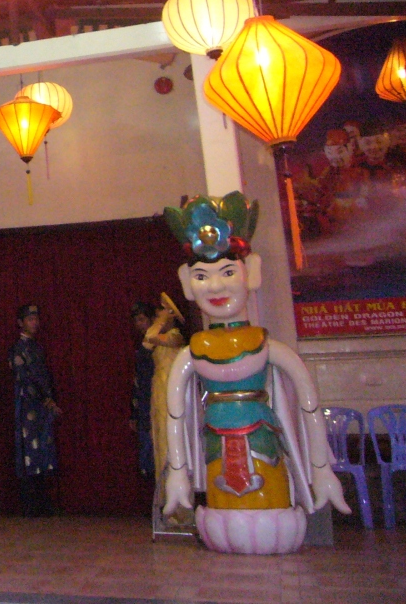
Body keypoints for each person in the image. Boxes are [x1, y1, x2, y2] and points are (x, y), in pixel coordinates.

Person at [162, 192, 350, 554]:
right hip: (215, 447)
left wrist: (321, 469)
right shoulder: (191, 353)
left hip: (263, 442)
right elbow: (176, 415)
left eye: (228, 272)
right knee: (222, 506)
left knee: (269, 503)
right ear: (186, 282)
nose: (215, 286)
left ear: (253, 272)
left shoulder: (266, 346)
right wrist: (178, 473)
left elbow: (308, 406)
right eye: (201, 276)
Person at [9, 303, 60, 517]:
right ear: (21, 323)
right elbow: (25, 379)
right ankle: (30, 503)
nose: (35, 323)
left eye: (36, 319)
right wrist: (46, 400)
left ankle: (43, 501)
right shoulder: (18, 349)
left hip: (41, 408)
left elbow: (45, 377)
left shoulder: (37, 347)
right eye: (30, 319)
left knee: (43, 452)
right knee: (30, 452)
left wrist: (50, 399)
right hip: (28, 406)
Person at [144, 293, 186, 485]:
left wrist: (162, 320)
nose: (158, 316)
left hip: (171, 388)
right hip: (160, 389)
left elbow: (150, 336)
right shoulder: (164, 337)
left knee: (170, 437)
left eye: (162, 311)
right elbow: (146, 343)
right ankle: (164, 487)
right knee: (160, 436)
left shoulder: (175, 336)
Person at [130, 302, 155, 479]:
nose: (139, 324)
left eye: (142, 319)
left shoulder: (159, 342)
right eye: (136, 321)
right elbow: (138, 380)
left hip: (156, 398)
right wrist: (134, 412)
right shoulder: (143, 345)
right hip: (144, 401)